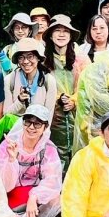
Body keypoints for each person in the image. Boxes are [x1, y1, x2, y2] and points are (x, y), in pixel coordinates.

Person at [0, 105, 63, 217]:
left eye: (37, 123)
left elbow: (53, 180)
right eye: (28, 122)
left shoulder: (48, 149)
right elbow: (2, 184)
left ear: (45, 127)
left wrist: (34, 196)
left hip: (34, 195)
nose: (31, 127)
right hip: (11, 194)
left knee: (57, 199)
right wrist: (12, 160)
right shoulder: (9, 145)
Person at [41, 14, 90, 161]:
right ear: (50, 35)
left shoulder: (82, 60)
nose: (61, 34)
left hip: (78, 116)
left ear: (71, 36)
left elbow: (88, 87)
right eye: (57, 30)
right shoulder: (43, 61)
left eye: (65, 31)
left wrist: (74, 100)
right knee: (54, 155)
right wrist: (58, 99)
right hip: (52, 116)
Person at [3, 37, 57, 118]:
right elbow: (6, 114)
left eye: (30, 56)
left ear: (38, 58)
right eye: (21, 57)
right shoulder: (10, 80)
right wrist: (20, 101)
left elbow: (48, 115)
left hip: (38, 128)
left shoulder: (48, 81)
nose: (25, 61)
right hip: (15, 128)